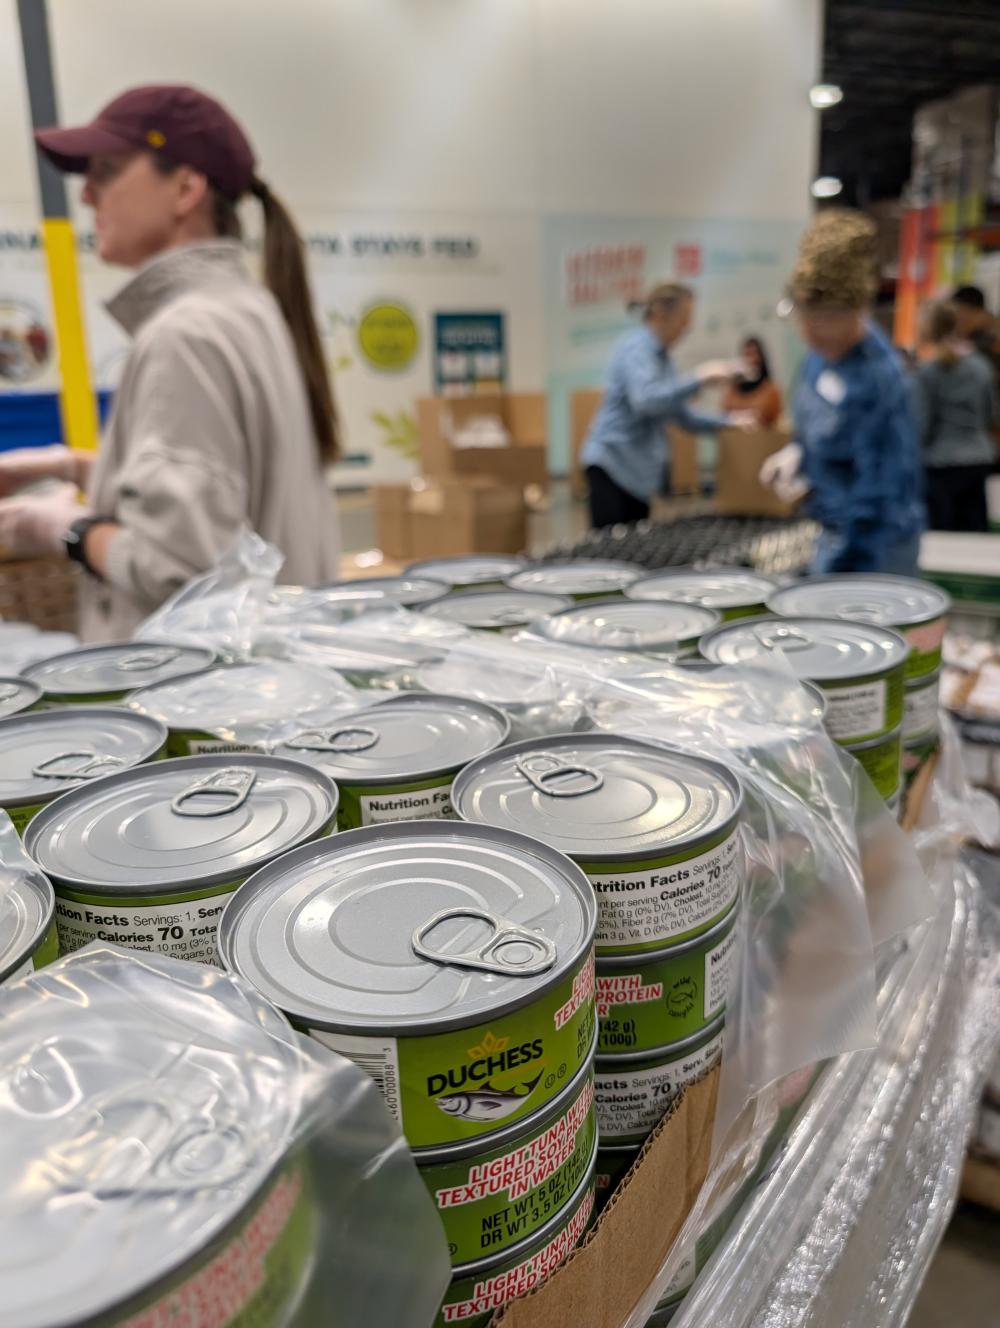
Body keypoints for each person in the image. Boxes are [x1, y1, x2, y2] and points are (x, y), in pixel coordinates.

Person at [0, 84, 340, 642]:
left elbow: (183, 571)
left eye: (106, 171)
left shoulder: (185, 335)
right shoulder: (246, 312)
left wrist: (61, 528)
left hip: (200, 709)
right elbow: (229, 490)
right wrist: (69, 466)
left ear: (185, 188)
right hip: (267, 692)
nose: (86, 196)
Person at [761, 210, 924, 576]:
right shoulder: (820, 361)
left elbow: (881, 498)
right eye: (802, 316)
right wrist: (798, 453)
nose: (808, 332)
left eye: (822, 319)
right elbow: (821, 429)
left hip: (875, 549)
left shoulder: (878, 381)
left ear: (857, 312)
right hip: (829, 530)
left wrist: (845, 573)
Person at [581, 283, 751, 529]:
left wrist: (729, 422)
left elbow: (681, 415)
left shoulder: (663, 360)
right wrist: (700, 378)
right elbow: (647, 401)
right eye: (684, 318)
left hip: (636, 472)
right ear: (662, 315)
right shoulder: (636, 350)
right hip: (614, 465)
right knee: (612, 555)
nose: (687, 327)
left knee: (633, 549)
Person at [914, 301, 998, 532]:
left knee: (942, 540)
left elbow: (922, 426)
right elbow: (991, 415)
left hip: (941, 465)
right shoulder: (981, 367)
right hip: (978, 459)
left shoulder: (928, 372)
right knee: (974, 538)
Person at [721, 335, 783, 426]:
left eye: (753, 354)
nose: (749, 360)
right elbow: (724, 415)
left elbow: (775, 421)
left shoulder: (771, 390)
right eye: (746, 354)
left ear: (761, 358)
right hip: (736, 438)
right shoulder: (731, 391)